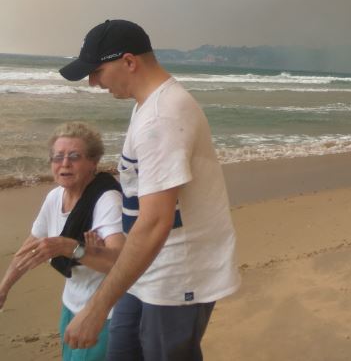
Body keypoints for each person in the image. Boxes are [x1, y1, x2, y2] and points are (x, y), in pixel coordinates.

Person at [58, 19, 240, 360]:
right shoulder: (147, 106)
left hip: (175, 275)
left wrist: (97, 309)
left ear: (129, 62)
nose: (93, 83)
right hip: (145, 267)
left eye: (97, 71)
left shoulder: (161, 119)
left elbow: (156, 222)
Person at [0, 122, 125, 361]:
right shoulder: (55, 196)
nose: (64, 163)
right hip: (71, 302)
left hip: (105, 311)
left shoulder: (107, 199)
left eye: (74, 156)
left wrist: (73, 249)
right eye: (58, 157)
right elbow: (30, 248)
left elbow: (121, 262)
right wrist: (4, 288)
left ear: (93, 162)